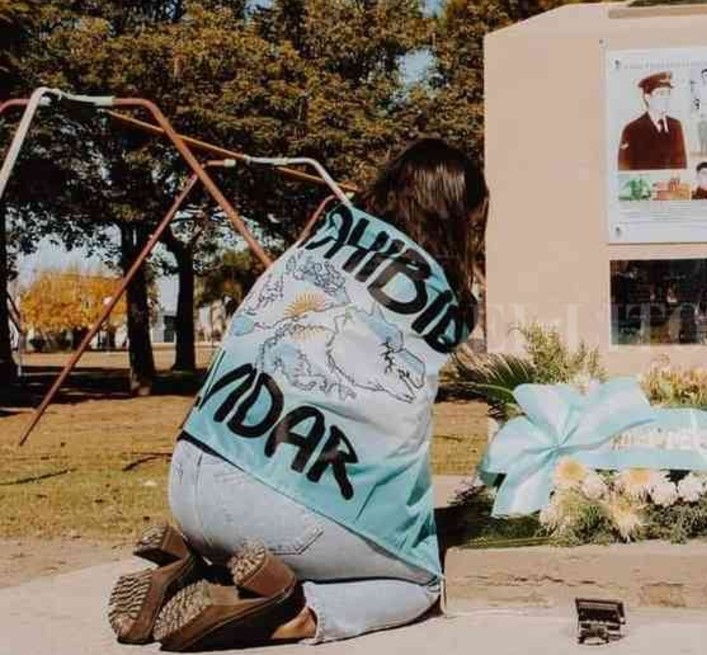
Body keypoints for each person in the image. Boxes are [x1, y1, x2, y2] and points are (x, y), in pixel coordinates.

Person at [105, 138, 485, 651]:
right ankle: (289, 614)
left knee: (261, 529)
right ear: (458, 215)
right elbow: (401, 443)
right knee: (417, 582)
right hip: (283, 508)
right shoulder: (444, 305)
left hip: (192, 476)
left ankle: (199, 568)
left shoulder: (315, 244)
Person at [617, 71, 687, 171]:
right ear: (647, 98)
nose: (666, 98)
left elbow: (682, 167)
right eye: (661, 93)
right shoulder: (632, 130)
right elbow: (624, 170)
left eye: (668, 93)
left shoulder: (675, 126)